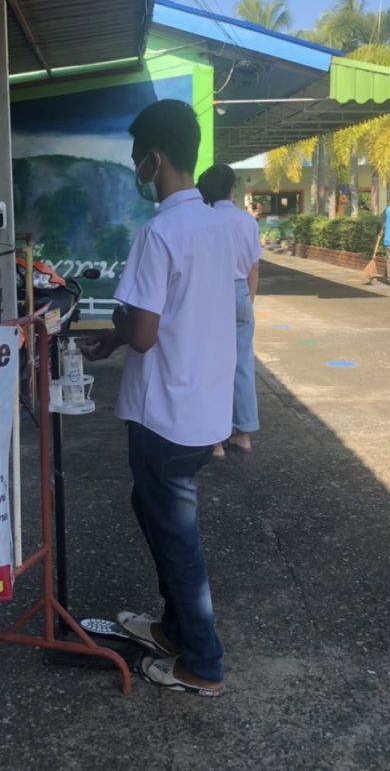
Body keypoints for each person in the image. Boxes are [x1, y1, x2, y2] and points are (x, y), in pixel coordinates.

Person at [82, 99, 235, 697]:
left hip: (163, 414)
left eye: (136, 158)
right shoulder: (220, 226)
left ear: (156, 157)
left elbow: (145, 332)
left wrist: (119, 323)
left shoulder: (160, 232)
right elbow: (178, 315)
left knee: (176, 536)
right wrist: (118, 336)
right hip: (202, 407)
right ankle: (174, 630)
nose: (134, 169)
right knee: (155, 513)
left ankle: (204, 663)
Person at [198, 163, 261, 458]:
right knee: (243, 365)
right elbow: (254, 268)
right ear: (231, 188)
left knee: (211, 366)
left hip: (211, 295)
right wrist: (248, 300)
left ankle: (216, 440)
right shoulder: (247, 221)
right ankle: (244, 434)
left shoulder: (204, 220)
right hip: (240, 292)